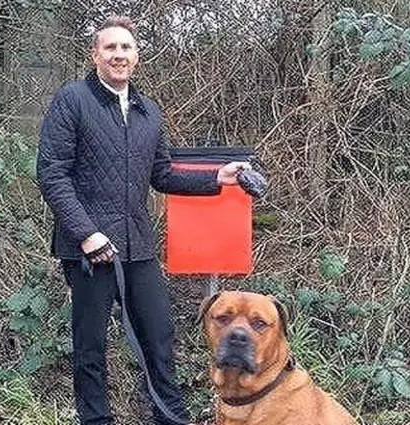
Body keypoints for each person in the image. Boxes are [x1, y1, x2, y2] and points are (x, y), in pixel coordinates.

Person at [36, 15, 251, 425]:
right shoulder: (72, 100)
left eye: (126, 48)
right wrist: (86, 234)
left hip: (137, 245)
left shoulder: (148, 110)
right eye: (110, 47)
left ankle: (170, 418)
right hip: (89, 250)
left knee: (158, 339)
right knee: (91, 348)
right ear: (95, 54)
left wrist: (217, 179)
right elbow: (51, 172)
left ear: (137, 56)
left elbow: (163, 174)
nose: (119, 55)